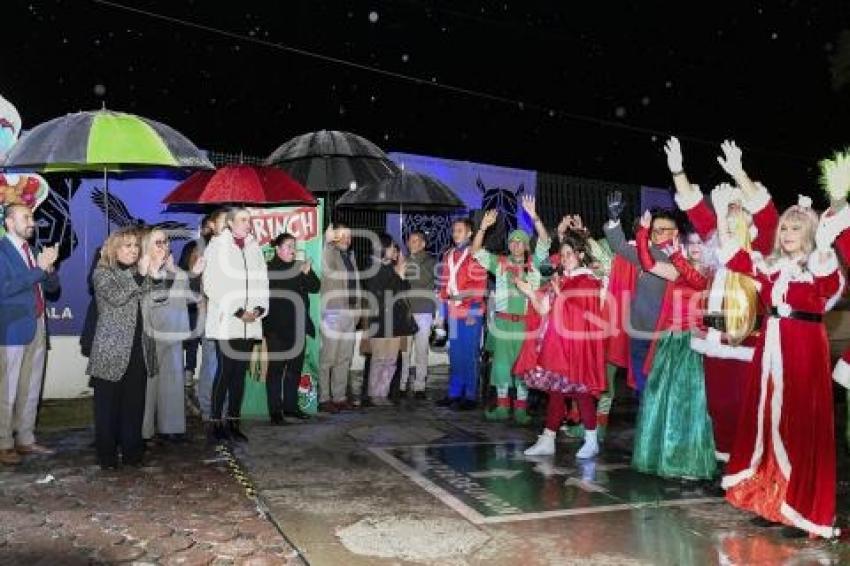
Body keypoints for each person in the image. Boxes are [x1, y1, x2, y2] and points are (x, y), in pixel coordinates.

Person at [719, 196, 843, 539]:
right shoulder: (770, 265)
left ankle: (805, 511)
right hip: (771, 349)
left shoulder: (822, 263)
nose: (788, 232)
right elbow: (734, 257)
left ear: (811, 233)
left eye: (796, 227)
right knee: (768, 426)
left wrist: (822, 247)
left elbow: (828, 286)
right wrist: (719, 214)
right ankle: (773, 502)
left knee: (801, 429)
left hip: (803, 351)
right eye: (785, 227)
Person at [666, 137, 778, 461]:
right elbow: (693, 205)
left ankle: (751, 462)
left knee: (747, 402)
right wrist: (678, 171)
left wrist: (740, 174)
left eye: (739, 208)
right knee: (720, 402)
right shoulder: (716, 238)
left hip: (749, 333)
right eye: (729, 209)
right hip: (716, 331)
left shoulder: (763, 243)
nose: (731, 213)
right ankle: (727, 462)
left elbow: (768, 214)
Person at [630, 213, 716, 480]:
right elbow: (647, 261)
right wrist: (643, 232)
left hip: (695, 344)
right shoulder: (677, 268)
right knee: (661, 401)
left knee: (689, 405)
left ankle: (689, 463)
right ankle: (663, 458)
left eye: (701, 242)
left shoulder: (715, 275)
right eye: (691, 242)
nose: (695, 247)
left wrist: (676, 255)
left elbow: (698, 282)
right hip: (670, 341)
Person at [516, 232, 607, 458]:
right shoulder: (562, 280)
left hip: (577, 348)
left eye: (569, 253)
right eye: (563, 254)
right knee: (556, 392)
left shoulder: (587, 280)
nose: (565, 258)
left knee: (581, 392)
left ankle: (592, 439)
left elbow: (581, 316)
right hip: (557, 347)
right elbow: (544, 310)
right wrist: (529, 292)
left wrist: (561, 295)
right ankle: (548, 439)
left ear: (580, 255)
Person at [471, 195, 550, 424]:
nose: (515, 245)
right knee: (503, 366)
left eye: (520, 241)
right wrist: (483, 228)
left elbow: (545, 240)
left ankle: (521, 409)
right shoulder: (501, 263)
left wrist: (534, 216)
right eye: (512, 241)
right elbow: (476, 252)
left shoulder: (535, 264)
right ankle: (503, 407)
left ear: (526, 245)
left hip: (527, 323)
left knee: (524, 365)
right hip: (504, 323)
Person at [87, 227, 159, 469]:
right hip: (111, 350)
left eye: (136, 246)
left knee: (134, 406)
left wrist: (156, 272)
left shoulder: (140, 273)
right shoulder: (103, 272)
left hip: (139, 349)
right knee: (107, 410)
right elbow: (117, 297)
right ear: (114, 248)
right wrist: (139, 275)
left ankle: (132, 453)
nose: (133, 250)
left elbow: (154, 299)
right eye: (127, 246)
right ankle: (106, 457)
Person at [203, 207, 269, 443]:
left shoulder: (254, 247)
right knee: (225, 372)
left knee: (239, 375)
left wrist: (260, 308)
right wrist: (238, 311)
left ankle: (233, 423)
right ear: (230, 223)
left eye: (249, 220)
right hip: (228, 321)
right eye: (242, 219)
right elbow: (212, 284)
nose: (247, 224)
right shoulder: (217, 245)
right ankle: (215, 423)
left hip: (249, 323)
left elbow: (263, 281)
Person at [0, 203, 59, 465]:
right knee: (7, 388)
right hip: (11, 327)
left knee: (31, 386)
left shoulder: (32, 250)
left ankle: (25, 438)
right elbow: (5, 288)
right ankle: (3, 443)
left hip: (37, 324)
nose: (32, 222)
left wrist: (48, 268)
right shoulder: (2, 250)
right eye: (26, 217)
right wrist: (38, 270)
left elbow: (53, 288)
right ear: (9, 222)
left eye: (32, 217)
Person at [604, 192, 678, 394]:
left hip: (665, 336)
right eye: (656, 230)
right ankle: (647, 422)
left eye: (664, 230)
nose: (658, 233)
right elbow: (618, 246)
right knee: (642, 387)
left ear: (675, 232)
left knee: (660, 387)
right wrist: (614, 220)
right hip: (638, 332)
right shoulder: (646, 252)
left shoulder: (684, 259)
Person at [141, 228, 203, 443]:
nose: (164, 246)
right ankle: (144, 431)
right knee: (148, 386)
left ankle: (171, 428)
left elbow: (186, 295)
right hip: (149, 335)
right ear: (147, 246)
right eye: (158, 242)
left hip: (173, 334)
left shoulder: (175, 271)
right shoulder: (141, 271)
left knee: (173, 383)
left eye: (166, 242)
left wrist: (180, 272)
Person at [264, 232, 320, 424]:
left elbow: (315, 287)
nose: (292, 250)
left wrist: (307, 272)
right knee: (276, 371)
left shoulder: (299, 267)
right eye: (288, 246)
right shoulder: (269, 268)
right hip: (277, 330)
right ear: (278, 249)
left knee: (294, 370)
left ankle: (291, 407)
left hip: (298, 327)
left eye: (294, 246)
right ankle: (275, 412)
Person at [435, 218, 488, 410]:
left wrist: (473, 310)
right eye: (454, 230)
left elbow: (480, 287)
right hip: (453, 312)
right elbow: (443, 285)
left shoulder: (474, 255)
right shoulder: (448, 254)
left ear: (469, 233)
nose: (455, 233)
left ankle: (470, 396)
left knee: (469, 355)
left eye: (459, 230)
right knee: (456, 355)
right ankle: (454, 393)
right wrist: (441, 314)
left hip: (470, 311)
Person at [363, 234, 417, 404]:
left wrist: (399, 273)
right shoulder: (372, 266)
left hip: (394, 321)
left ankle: (383, 393)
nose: (395, 250)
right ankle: (374, 394)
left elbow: (403, 288)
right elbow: (384, 291)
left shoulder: (389, 267)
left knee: (391, 360)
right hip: (380, 320)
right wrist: (398, 274)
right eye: (393, 246)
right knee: (379, 359)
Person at [318, 222, 362, 413]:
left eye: (349, 235)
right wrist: (327, 243)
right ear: (335, 237)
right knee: (328, 358)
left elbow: (357, 285)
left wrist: (359, 311)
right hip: (334, 312)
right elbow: (325, 265)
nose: (346, 239)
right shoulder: (331, 253)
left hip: (351, 313)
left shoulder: (350, 256)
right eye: (342, 235)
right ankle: (324, 398)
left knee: (345, 358)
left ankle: (339, 397)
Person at [195, 208, 227, 422]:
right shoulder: (203, 248)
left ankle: (221, 410)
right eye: (225, 221)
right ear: (211, 225)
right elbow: (200, 285)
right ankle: (209, 410)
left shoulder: (230, 248)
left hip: (229, 317)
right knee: (212, 364)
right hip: (211, 315)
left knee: (224, 366)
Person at [178, 212, 216, 387]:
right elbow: (180, 271)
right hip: (192, 301)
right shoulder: (191, 246)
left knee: (208, 345)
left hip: (209, 303)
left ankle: (204, 382)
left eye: (211, 227)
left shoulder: (215, 248)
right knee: (192, 339)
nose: (208, 230)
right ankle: (189, 371)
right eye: (206, 227)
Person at [400, 230, 437, 399]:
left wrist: (406, 268)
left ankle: (420, 385)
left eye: (416, 241)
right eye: (410, 241)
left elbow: (423, 279)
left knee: (421, 351)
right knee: (404, 351)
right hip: (406, 311)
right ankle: (401, 384)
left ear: (423, 244)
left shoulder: (430, 261)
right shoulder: (404, 261)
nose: (412, 244)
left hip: (423, 311)